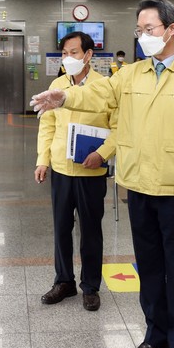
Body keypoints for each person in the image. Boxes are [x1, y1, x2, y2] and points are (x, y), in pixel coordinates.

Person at [31, 0, 174, 348]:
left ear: (171, 30)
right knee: (148, 268)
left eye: (149, 29)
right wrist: (65, 96)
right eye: (139, 30)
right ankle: (156, 334)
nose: (143, 36)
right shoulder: (130, 75)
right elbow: (98, 92)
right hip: (137, 186)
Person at [35, 31, 116, 312]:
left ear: (89, 55)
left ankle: (90, 286)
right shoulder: (56, 85)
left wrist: (102, 154)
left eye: (73, 53)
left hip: (90, 171)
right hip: (60, 168)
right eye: (64, 53)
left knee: (91, 230)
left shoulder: (105, 87)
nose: (67, 58)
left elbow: (118, 128)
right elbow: (47, 126)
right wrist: (42, 160)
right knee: (61, 228)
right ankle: (64, 281)